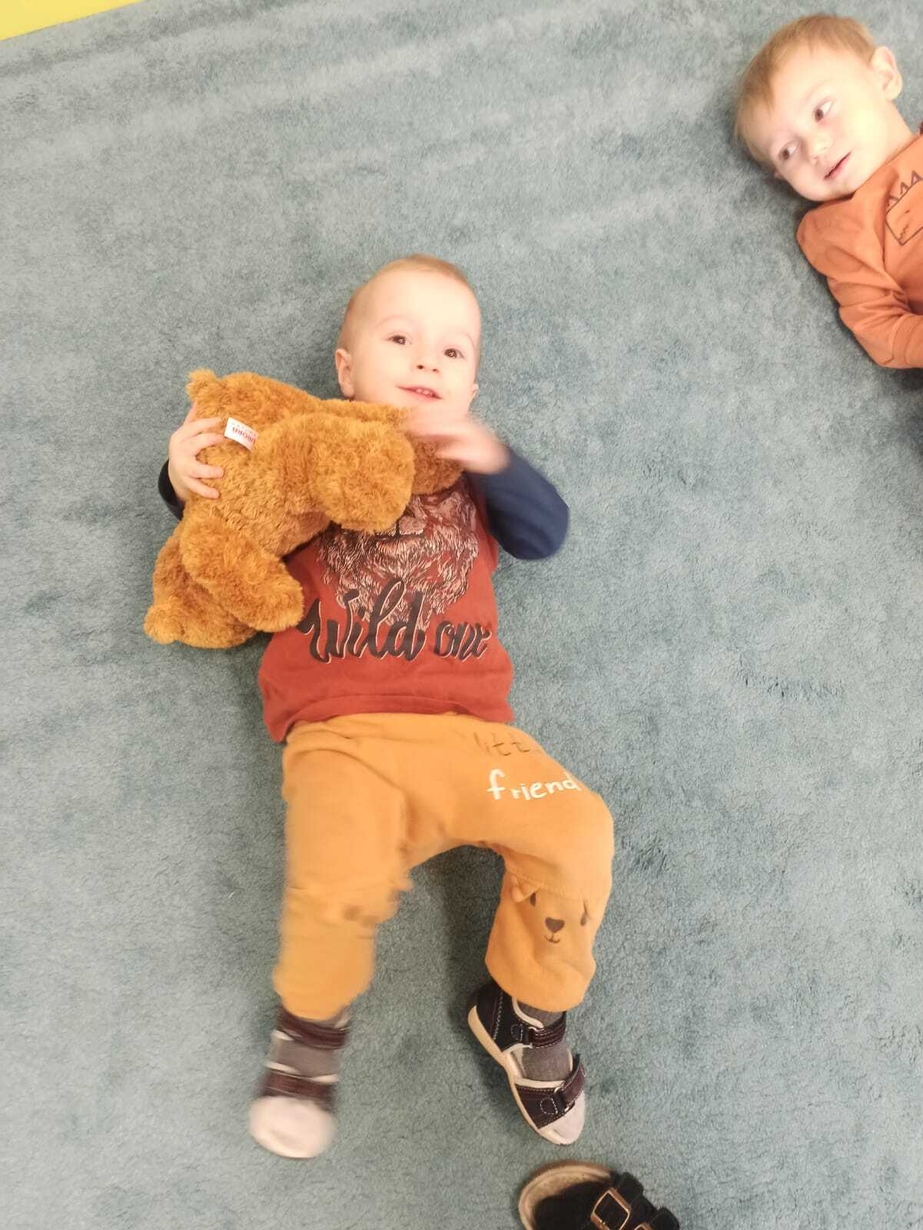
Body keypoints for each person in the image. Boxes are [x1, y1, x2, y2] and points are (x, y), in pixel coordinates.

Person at [158, 254, 615, 1158]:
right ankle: (308, 1033)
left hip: (474, 737)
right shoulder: (304, 441)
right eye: (399, 339)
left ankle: (524, 1007)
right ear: (344, 368)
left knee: (579, 831)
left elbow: (545, 533)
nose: (425, 360)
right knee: (334, 875)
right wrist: (177, 476)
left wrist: (489, 455)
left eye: (452, 351)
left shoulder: (471, 471)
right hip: (345, 736)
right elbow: (228, 503)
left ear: (471, 385)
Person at [734, 14, 922, 368]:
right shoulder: (840, 228)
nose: (815, 148)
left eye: (821, 111)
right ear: (781, 177)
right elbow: (881, 328)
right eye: (787, 152)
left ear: (883, 76)